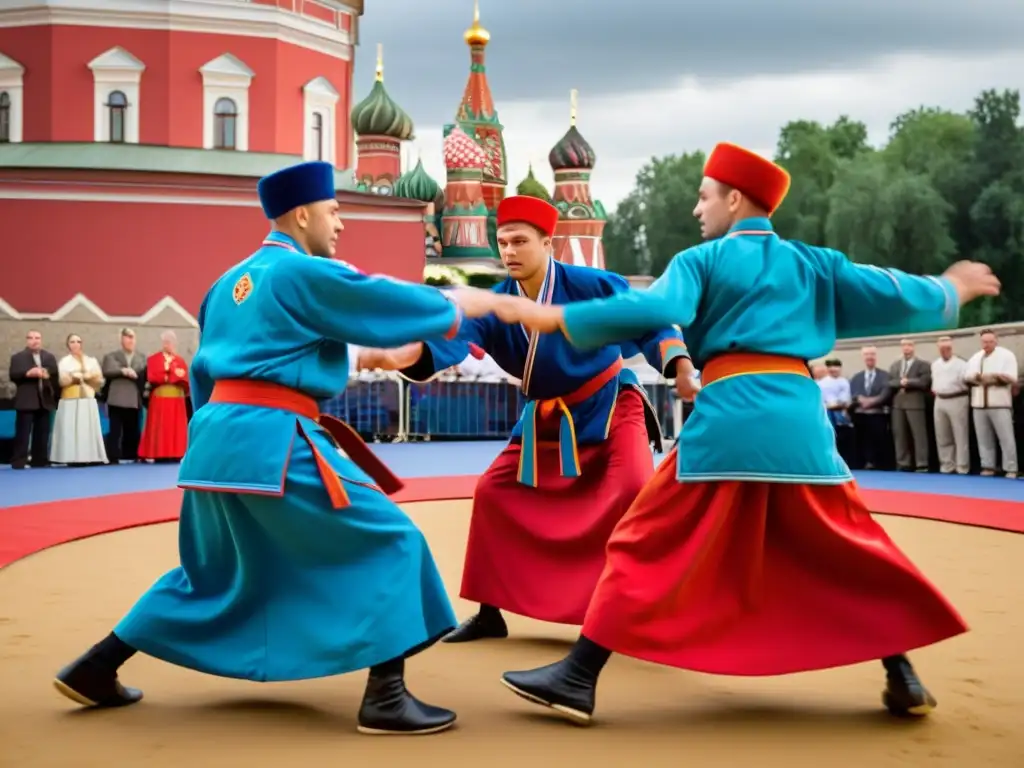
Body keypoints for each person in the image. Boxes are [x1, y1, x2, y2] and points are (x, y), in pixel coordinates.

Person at [490, 142, 1000, 725]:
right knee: (847, 542)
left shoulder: (700, 262)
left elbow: (655, 307)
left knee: (645, 538)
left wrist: (558, 317)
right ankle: (901, 672)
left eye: (704, 196)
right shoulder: (816, 263)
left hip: (729, 419)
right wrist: (948, 290)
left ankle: (578, 676)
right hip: (801, 426)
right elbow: (887, 290)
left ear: (735, 200)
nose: (696, 209)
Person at [52, 160, 510, 736]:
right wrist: (467, 306)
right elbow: (378, 304)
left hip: (214, 443)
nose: (340, 223)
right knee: (391, 541)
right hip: (275, 439)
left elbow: (203, 375)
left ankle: (96, 666)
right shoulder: (301, 272)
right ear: (302, 214)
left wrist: (212, 437)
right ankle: (386, 698)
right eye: (334, 210)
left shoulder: (225, 284)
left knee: (213, 573)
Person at [359, 195, 690, 641]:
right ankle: (490, 612)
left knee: (632, 490)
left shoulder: (592, 284)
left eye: (519, 241)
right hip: (544, 419)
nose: (509, 251)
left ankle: (641, 607)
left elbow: (650, 320)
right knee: (493, 492)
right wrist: (402, 353)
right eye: (502, 242)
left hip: (610, 407)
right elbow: (453, 338)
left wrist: (681, 367)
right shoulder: (496, 303)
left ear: (548, 242)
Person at [50, 334, 108, 466]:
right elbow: (61, 380)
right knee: (71, 427)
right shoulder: (64, 361)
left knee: (87, 427)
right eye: (72, 342)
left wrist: (86, 377)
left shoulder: (91, 360)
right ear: (68, 345)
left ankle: (91, 456)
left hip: (87, 398)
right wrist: (75, 377)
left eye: (78, 341)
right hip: (70, 398)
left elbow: (99, 379)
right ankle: (71, 457)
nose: (75, 344)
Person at [7, 329, 59, 469]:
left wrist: (47, 373)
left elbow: (55, 374)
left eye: (37, 338)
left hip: (45, 400)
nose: (35, 340)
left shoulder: (49, 357)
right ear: (27, 340)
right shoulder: (18, 357)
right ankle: (19, 460)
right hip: (26, 400)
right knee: (23, 432)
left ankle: (40, 460)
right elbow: (13, 375)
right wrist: (28, 373)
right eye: (31, 338)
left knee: (42, 432)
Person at [138, 330, 190, 462]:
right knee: (160, 427)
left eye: (172, 342)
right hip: (160, 398)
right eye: (167, 342)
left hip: (177, 399)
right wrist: (170, 375)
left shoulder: (180, 360)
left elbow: (184, 378)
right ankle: (159, 454)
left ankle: (176, 453)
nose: (169, 345)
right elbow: (153, 376)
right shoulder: (154, 359)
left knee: (175, 428)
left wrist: (169, 374)